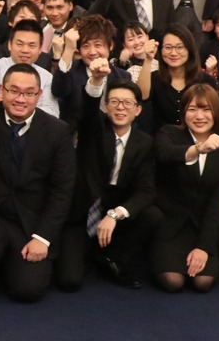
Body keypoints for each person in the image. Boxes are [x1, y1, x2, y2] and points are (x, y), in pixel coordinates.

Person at [0, 54, 76, 302]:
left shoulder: (57, 131)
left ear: (39, 95)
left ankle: (12, 265)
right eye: (14, 91)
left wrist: (42, 238)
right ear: (1, 90)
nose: (20, 99)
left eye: (29, 93)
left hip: (31, 220)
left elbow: (62, 190)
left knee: (27, 290)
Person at [57, 75, 161, 291]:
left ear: (138, 110)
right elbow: (88, 110)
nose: (120, 107)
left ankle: (113, 257)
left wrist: (115, 215)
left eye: (127, 103)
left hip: (115, 211)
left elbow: (147, 190)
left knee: (152, 215)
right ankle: (91, 252)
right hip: (82, 211)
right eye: (114, 102)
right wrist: (96, 81)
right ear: (105, 106)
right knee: (69, 281)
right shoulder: (94, 129)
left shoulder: (145, 142)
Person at [151, 84, 219, 293]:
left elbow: (218, 200)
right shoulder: (168, 133)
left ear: (216, 112)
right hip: (169, 225)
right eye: (192, 109)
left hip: (202, 225)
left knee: (203, 283)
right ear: (183, 112)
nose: (199, 116)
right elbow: (166, 155)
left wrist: (204, 246)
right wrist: (198, 149)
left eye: (206, 109)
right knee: (173, 282)